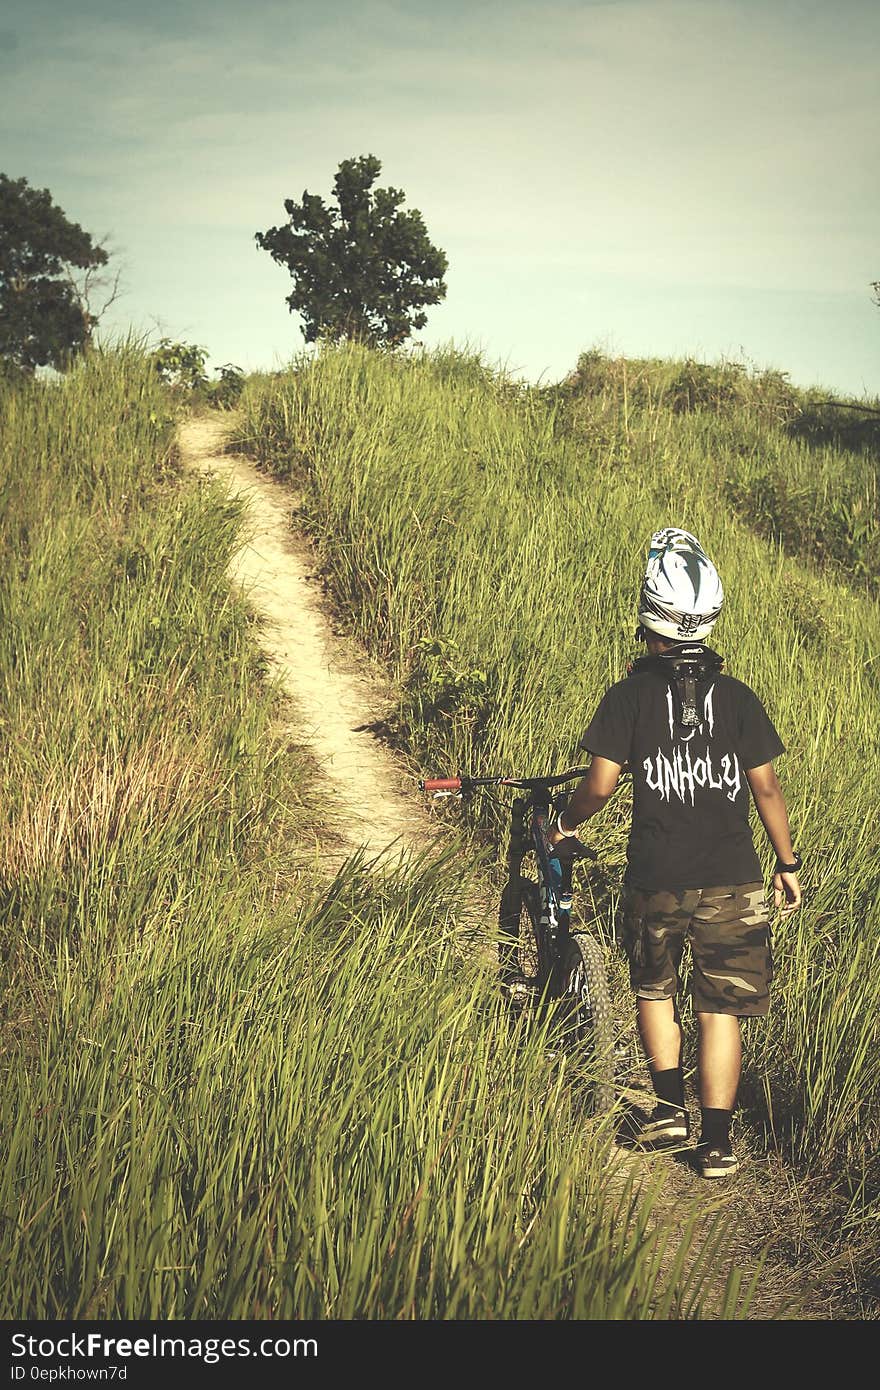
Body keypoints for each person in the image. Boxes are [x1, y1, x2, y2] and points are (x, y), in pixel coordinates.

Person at [548, 528, 802, 1178]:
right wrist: (787, 863)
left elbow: (600, 785)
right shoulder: (739, 698)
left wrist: (567, 826)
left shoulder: (627, 697)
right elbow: (766, 787)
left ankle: (668, 1109)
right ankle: (716, 1144)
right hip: (734, 881)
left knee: (654, 989)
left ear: (648, 621)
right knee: (721, 1010)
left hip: (656, 878)